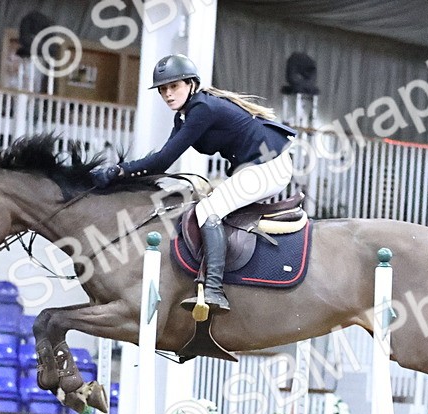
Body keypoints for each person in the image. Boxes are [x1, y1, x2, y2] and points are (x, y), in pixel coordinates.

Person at [90, 54, 295, 314]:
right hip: (254, 167)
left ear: (191, 84)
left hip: (269, 166)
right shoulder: (186, 115)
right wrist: (123, 175)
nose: (167, 94)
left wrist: (118, 171)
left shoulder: (202, 109)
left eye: (173, 86)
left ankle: (214, 290)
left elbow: (162, 160)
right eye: (163, 89)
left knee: (207, 211)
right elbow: (161, 160)